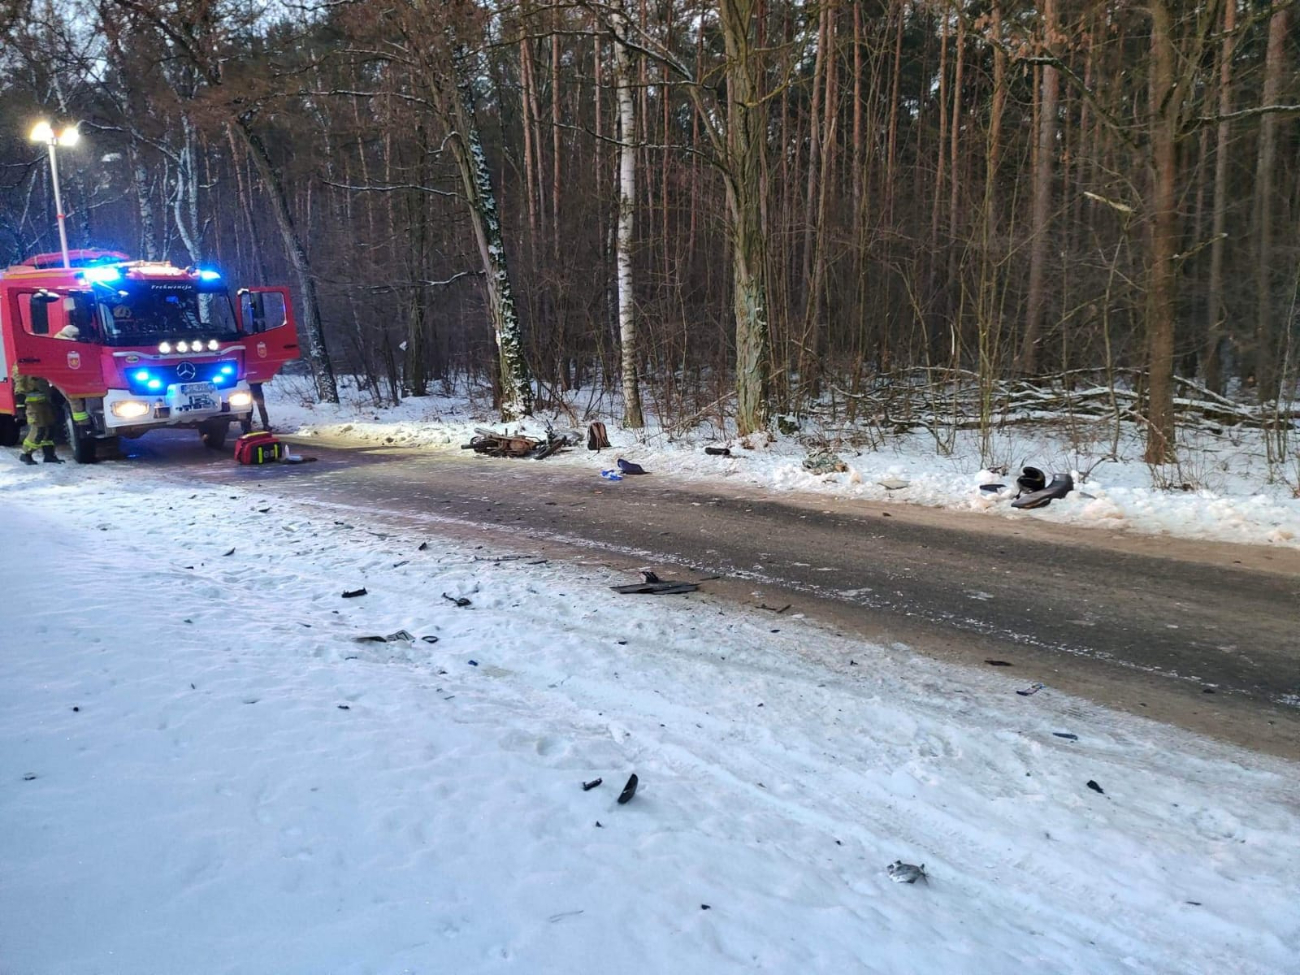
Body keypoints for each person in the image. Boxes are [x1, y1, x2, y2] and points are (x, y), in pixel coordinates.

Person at [13, 364, 62, 465]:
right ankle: (26, 454)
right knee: (39, 429)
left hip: (46, 403)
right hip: (33, 405)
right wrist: (20, 406)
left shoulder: (39, 361)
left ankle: (49, 455)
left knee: (50, 428)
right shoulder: (21, 365)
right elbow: (19, 386)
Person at [53, 324, 91, 435]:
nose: (77, 337)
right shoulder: (64, 342)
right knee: (74, 400)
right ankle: (83, 425)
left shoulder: (57, 339)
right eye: (75, 336)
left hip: (65, 377)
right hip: (63, 378)